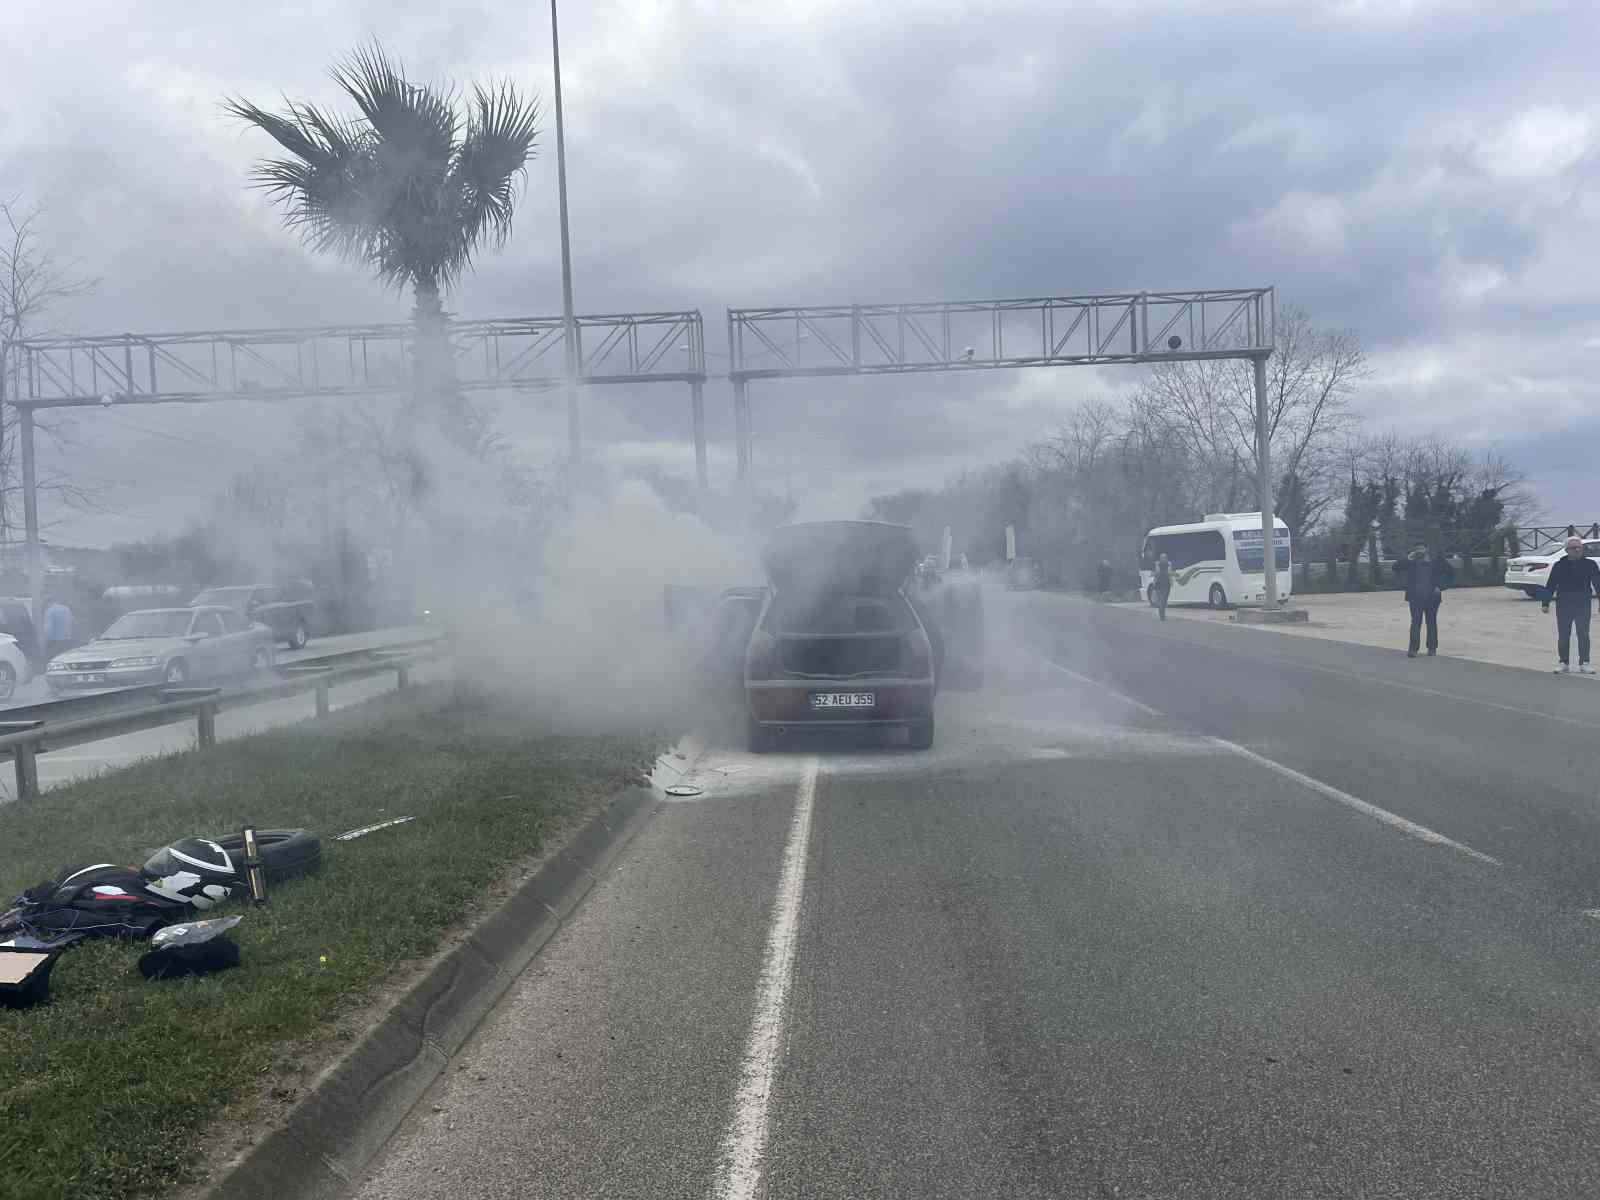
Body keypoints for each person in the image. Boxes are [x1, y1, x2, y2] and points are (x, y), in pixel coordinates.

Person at [1539, 535, 1600, 674]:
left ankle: (1585, 663)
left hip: (1583, 604)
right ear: (1567, 550)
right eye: (1574, 548)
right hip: (1564, 604)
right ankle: (1563, 663)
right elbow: (1551, 584)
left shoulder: (1590, 564)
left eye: (1580, 547)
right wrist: (1545, 603)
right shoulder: (1559, 565)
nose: (1578, 550)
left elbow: (1598, 583)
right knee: (1564, 635)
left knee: (1583, 634)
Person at [1394, 544, 1453, 658]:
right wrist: (1408, 558)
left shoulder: (1436, 561)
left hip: (1432, 598)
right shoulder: (1411, 562)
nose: (1419, 551)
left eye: (1421, 548)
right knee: (1415, 623)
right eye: (1417, 549)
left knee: (1431, 623)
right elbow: (1395, 567)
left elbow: (1451, 573)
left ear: (1427, 549)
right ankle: (1413, 650)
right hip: (1415, 598)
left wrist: (1440, 586)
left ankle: (1432, 648)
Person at [42, 595, 75, 663]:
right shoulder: (67, 609)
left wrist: (46, 641)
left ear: (48, 602)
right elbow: (72, 622)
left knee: (55, 662)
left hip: (55, 642)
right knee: (67, 661)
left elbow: (48, 629)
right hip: (68, 641)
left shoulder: (49, 611)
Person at [1152, 553, 1173, 621]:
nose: (1163, 559)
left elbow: (1170, 573)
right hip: (1159, 584)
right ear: (1160, 558)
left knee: (1164, 600)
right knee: (1161, 600)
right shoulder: (1157, 564)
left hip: (1167, 584)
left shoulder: (1169, 564)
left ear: (1166, 558)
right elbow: (1155, 573)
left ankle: (1162, 614)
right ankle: (1162, 616)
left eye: (1165, 557)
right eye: (1162, 557)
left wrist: (1171, 580)